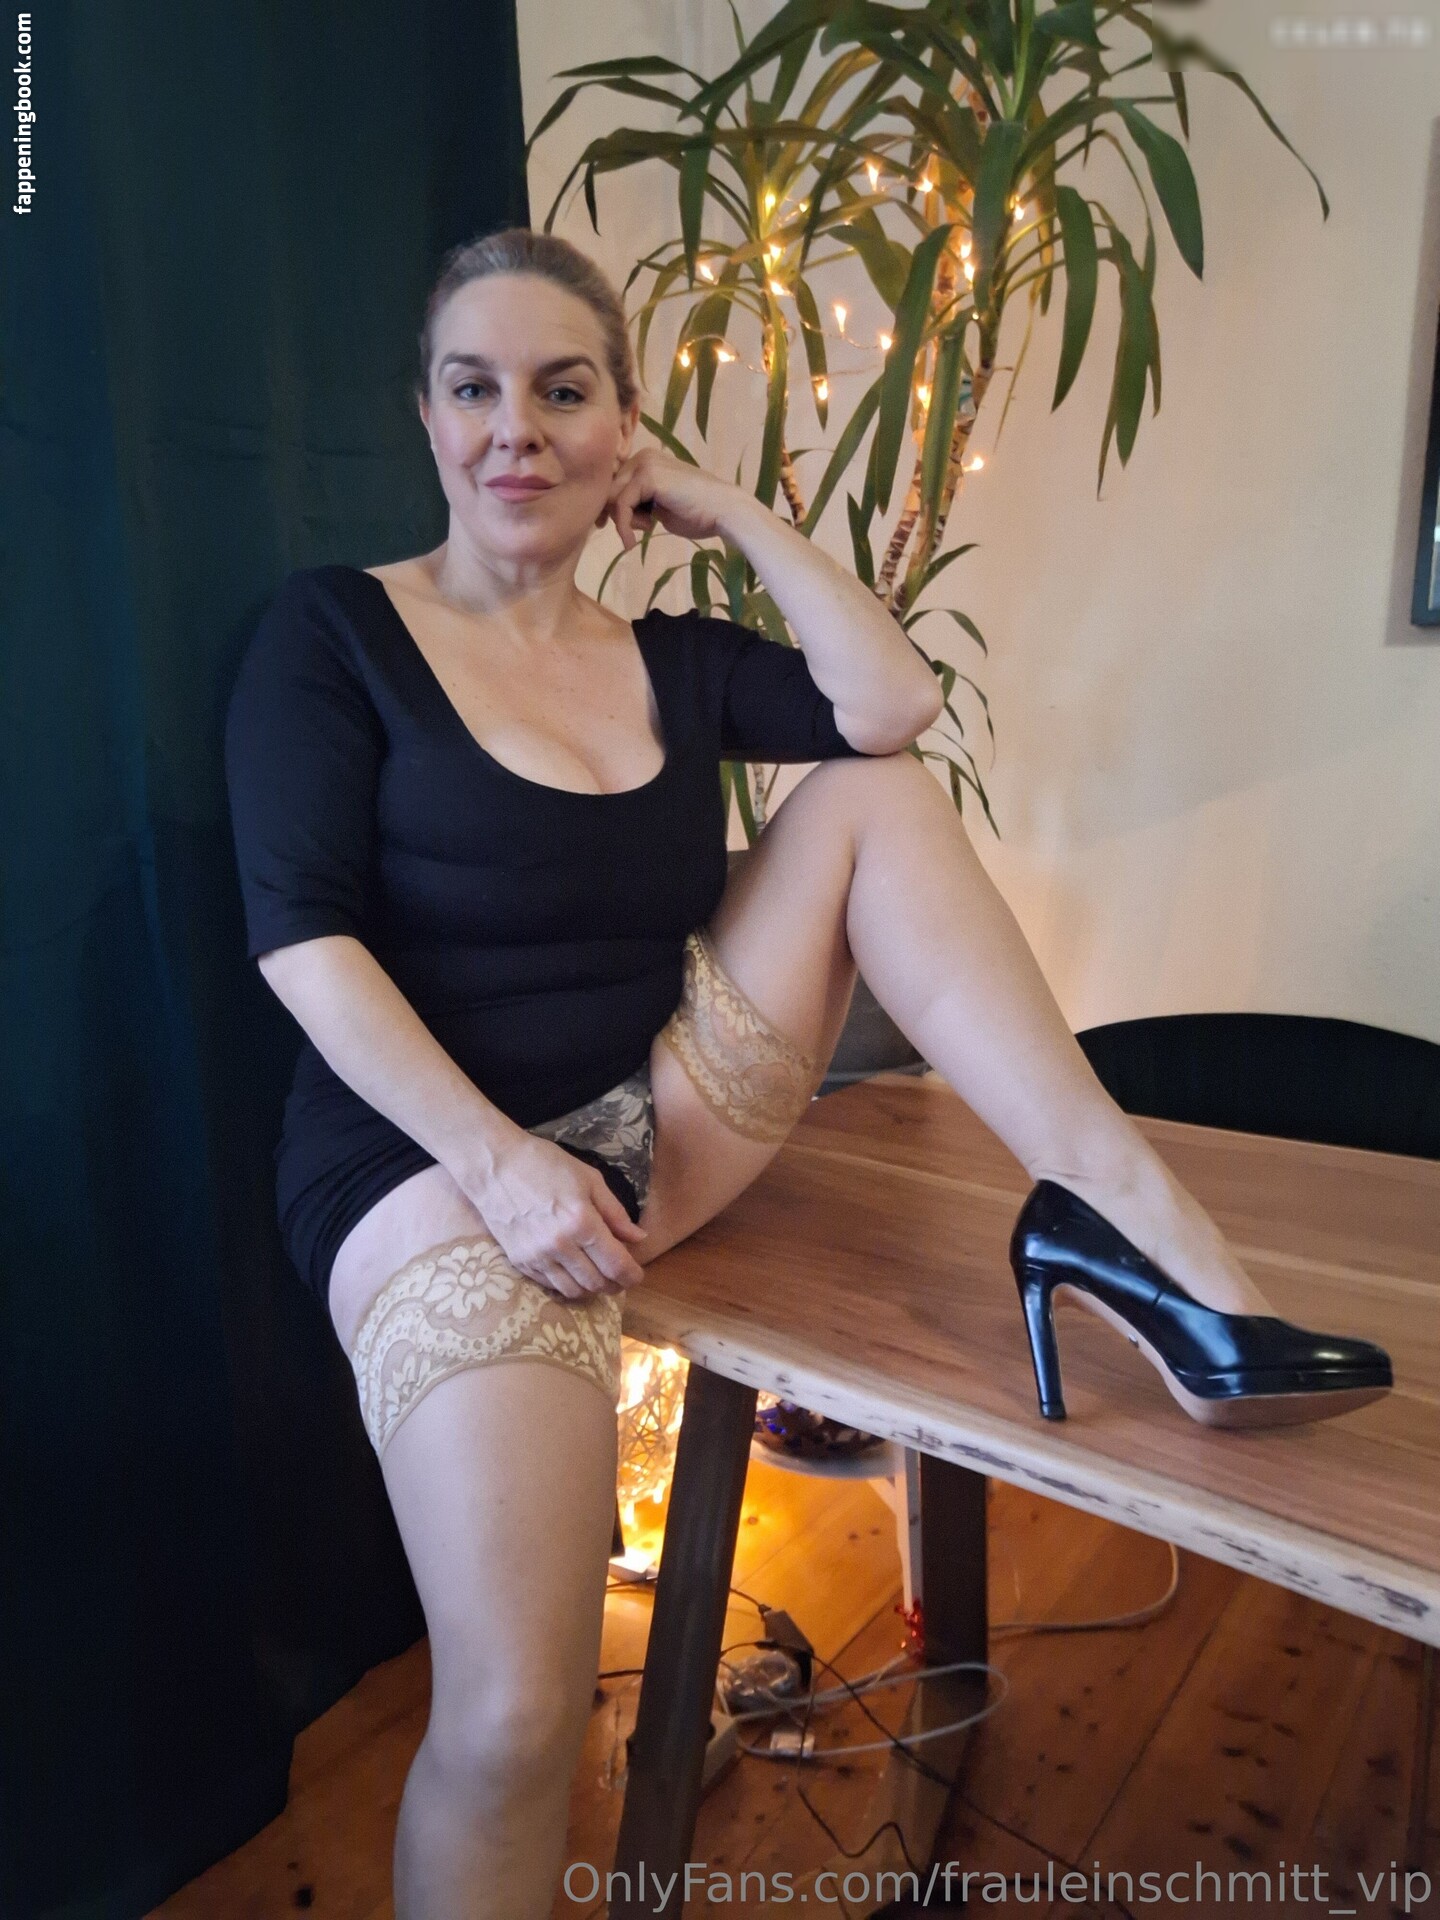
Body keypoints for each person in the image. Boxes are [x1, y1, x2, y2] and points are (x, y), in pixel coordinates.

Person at [223, 226, 1392, 1918]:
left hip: (654, 1125)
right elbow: (303, 945)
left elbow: (892, 704)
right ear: (426, 415)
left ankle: (1135, 1226)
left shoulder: (672, 656)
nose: (514, 431)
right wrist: (497, 1162)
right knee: (516, 1715)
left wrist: (731, 514)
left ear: (624, 426)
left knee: (873, 796)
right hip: (435, 1170)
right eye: (474, 389)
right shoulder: (334, 632)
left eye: (564, 391)